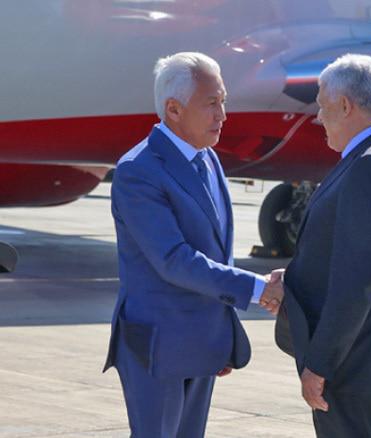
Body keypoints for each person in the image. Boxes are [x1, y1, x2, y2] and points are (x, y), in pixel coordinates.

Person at [103, 52, 283, 437]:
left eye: (224, 101)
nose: (223, 115)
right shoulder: (139, 171)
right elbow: (174, 259)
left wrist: (219, 336)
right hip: (158, 347)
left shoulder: (208, 159)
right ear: (174, 109)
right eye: (212, 103)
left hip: (201, 344)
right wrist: (259, 289)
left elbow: (216, 251)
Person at [272, 54, 371, 438]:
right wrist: (293, 279)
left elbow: (358, 282)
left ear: (346, 105)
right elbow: (361, 256)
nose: (318, 117)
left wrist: (320, 364)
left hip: (360, 367)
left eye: (323, 106)